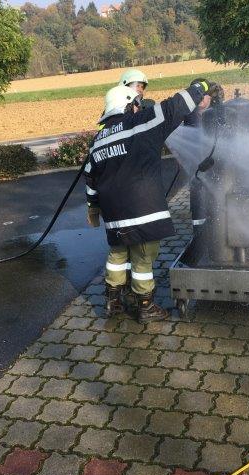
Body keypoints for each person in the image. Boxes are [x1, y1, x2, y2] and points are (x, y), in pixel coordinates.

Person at [85, 80, 214, 323]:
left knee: (117, 255)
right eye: (136, 103)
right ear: (127, 105)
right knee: (143, 258)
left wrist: (92, 207)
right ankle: (145, 306)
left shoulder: (98, 140)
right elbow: (176, 106)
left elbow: (90, 178)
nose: (138, 106)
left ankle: (113, 301)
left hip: (114, 216)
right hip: (142, 211)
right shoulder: (140, 123)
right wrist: (201, 86)